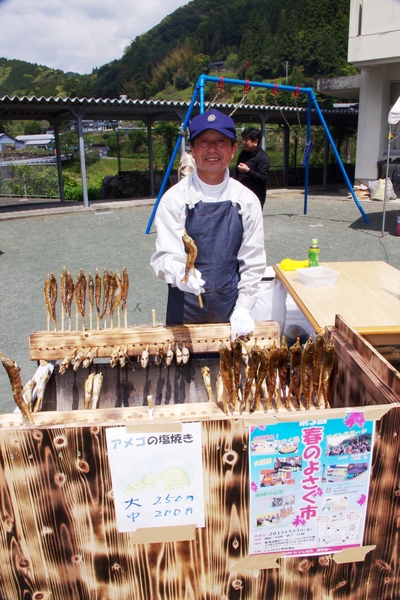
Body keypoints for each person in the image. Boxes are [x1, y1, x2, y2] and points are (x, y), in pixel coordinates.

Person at [150, 109, 266, 340]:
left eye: (221, 142)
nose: (212, 149)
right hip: (184, 309)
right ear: (192, 149)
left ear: (233, 149)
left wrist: (244, 307)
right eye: (204, 142)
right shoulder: (174, 199)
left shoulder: (247, 200)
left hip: (230, 308)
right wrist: (180, 275)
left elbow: (253, 260)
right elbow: (164, 257)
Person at [235, 127, 270, 208]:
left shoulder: (262, 157)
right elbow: (236, 172)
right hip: (241, 194)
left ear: (255, 141)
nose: (243, 142)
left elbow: (263, 178)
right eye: (243, 139)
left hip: (255, 195)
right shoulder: (243, 153)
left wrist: (248, 171)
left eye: (246, 140)